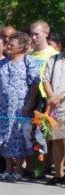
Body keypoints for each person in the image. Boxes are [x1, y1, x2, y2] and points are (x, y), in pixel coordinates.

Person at [0, 32, 39, 182]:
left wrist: (29, 104)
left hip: (20, 108)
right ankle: (8, 168)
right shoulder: (2, 63)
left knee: (18, 137)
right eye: (8, 44)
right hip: (4, 107)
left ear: (21, 47)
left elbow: (35, 84)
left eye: (11, 45)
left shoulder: (28, 61)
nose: (8, 46)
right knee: (3, 137)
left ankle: (18, 169)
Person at [42, 44, 65, 185]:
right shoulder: (54, 59)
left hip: (63, 103)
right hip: (55, 107)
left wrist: (61, 96)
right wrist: (52, 97)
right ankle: (59, 174)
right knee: (57, 141)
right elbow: (45, 78)